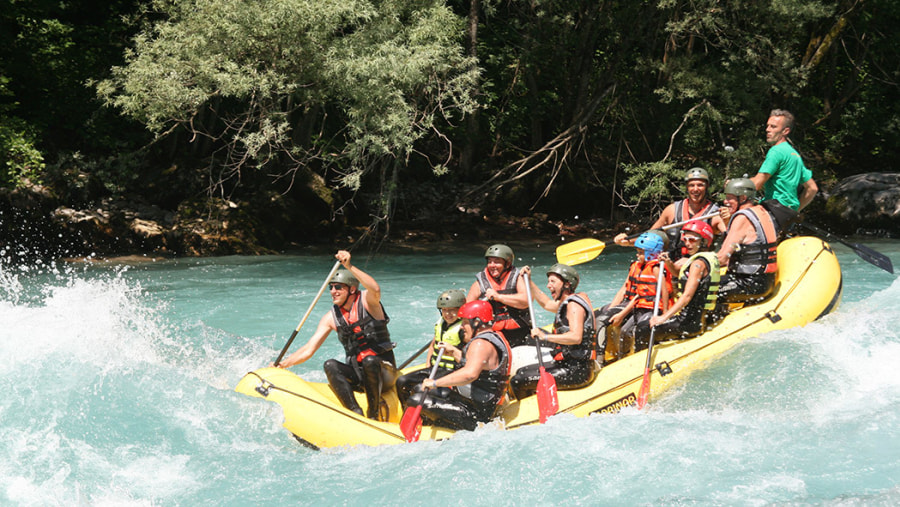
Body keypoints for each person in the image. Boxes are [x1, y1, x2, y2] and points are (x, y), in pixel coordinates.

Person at [275, 250, 398, 421]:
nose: (333, 291)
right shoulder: (330, 318)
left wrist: (349, 266)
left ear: (352, 289)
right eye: (331, 287)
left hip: (384, 373)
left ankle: (374, 413)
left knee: (370, 361)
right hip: (359, 374)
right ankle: (354, 412)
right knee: (330, 365)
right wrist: (283, 365)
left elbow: (375, 288)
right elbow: (309, 349)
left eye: (338, 287)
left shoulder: (368, 302)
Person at [405, 300, 513, 431]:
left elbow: (469, 374)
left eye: (465, 322)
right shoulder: (492, 337)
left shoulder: (481, 344)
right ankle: (432, 422)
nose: (461, 326)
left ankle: (435, 427)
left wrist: (434, 383)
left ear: (477, 322)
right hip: (469, 401)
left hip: (476, 413)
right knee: (418, 389)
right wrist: (455, 352)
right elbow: (476, 363)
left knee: (415, 400)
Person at [509, 264, 598, 400]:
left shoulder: (574, 306)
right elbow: (546, 304)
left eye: (553, 282)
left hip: (576, 370)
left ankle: (529, 412)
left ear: (567, 284)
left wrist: (544, 336)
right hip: (566, 364)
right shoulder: (570, 300)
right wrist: (530, 281)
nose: (549, 285)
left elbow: (576, 337)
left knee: (518, 380)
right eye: (548, 281)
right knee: (522, 371)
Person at [634, 220, 720, 347]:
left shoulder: (698, 264)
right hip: (697, 318)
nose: (687, 244)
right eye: (685, 239)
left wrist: (664, 317)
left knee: (642, 329)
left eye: (692, 240)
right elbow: (676, 273)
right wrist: (668, 263)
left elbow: (687, 297)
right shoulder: (705, 258)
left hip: (689, 323)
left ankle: (637, 359)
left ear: (704, 241)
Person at [614, 167, 727, 259]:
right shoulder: (671, 210)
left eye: (700, 185)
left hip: (699, 268)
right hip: (672, 265)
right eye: (692, 185)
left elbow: (731, 239)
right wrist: (627, 242)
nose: (696, 189)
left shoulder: (716, 215)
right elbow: (650, 237)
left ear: (706, 187)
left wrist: (727, 221)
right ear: (687, 187)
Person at [596, 232, 673, 361]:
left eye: (641, 252)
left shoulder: (656, 268)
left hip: (652, 307)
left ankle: (637, 357)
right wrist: (614, 310)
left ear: (651, 253)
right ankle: (621, 357)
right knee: (624, 331)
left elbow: (664, 291)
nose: (637, 255)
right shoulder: (637, 266)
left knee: (636, 331)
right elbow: (632, 291)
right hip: (639, 306)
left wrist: (665, 314)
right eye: (637, 252)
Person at [395, 289, 468, 404]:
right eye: (444, 310)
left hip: (451, 371)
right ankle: (407, 410)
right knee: (402, 381)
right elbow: (433, 345)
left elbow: (468, 358)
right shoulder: (441, 323)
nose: (447, 314)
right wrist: (428, 365)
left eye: (452, 310)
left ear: (460, 310)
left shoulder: (464, 329)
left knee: (419, 388)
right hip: (435, 367)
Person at [716, 177, 780, 306]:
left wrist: (694, 263)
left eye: (729, 198)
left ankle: (695, 325)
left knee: (702, 289)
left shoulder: (742, 218)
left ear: (743, 198)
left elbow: (723, 258)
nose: (725, 201)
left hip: (749, 283)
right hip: (764, 281)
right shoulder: (762, 211)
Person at [750, 109, 818, 215]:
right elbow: (812, 188)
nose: (767, 130)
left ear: (785, 131)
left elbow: (757, 184)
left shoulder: (776, 151)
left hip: (773, 209)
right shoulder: (794, 155)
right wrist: (796, 210)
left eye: (773, 127)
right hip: (788, 213)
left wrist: (736, 184)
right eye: (768, 126)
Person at [466, 244, 531, 347]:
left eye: (497, 262)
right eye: (490, 261)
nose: (492, 265)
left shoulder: (518, 278)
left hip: (521, 331)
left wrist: (498, 297)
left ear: (508, 264)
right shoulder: (480, 284)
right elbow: (467, 312)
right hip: (493, 334)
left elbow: (525, 301)